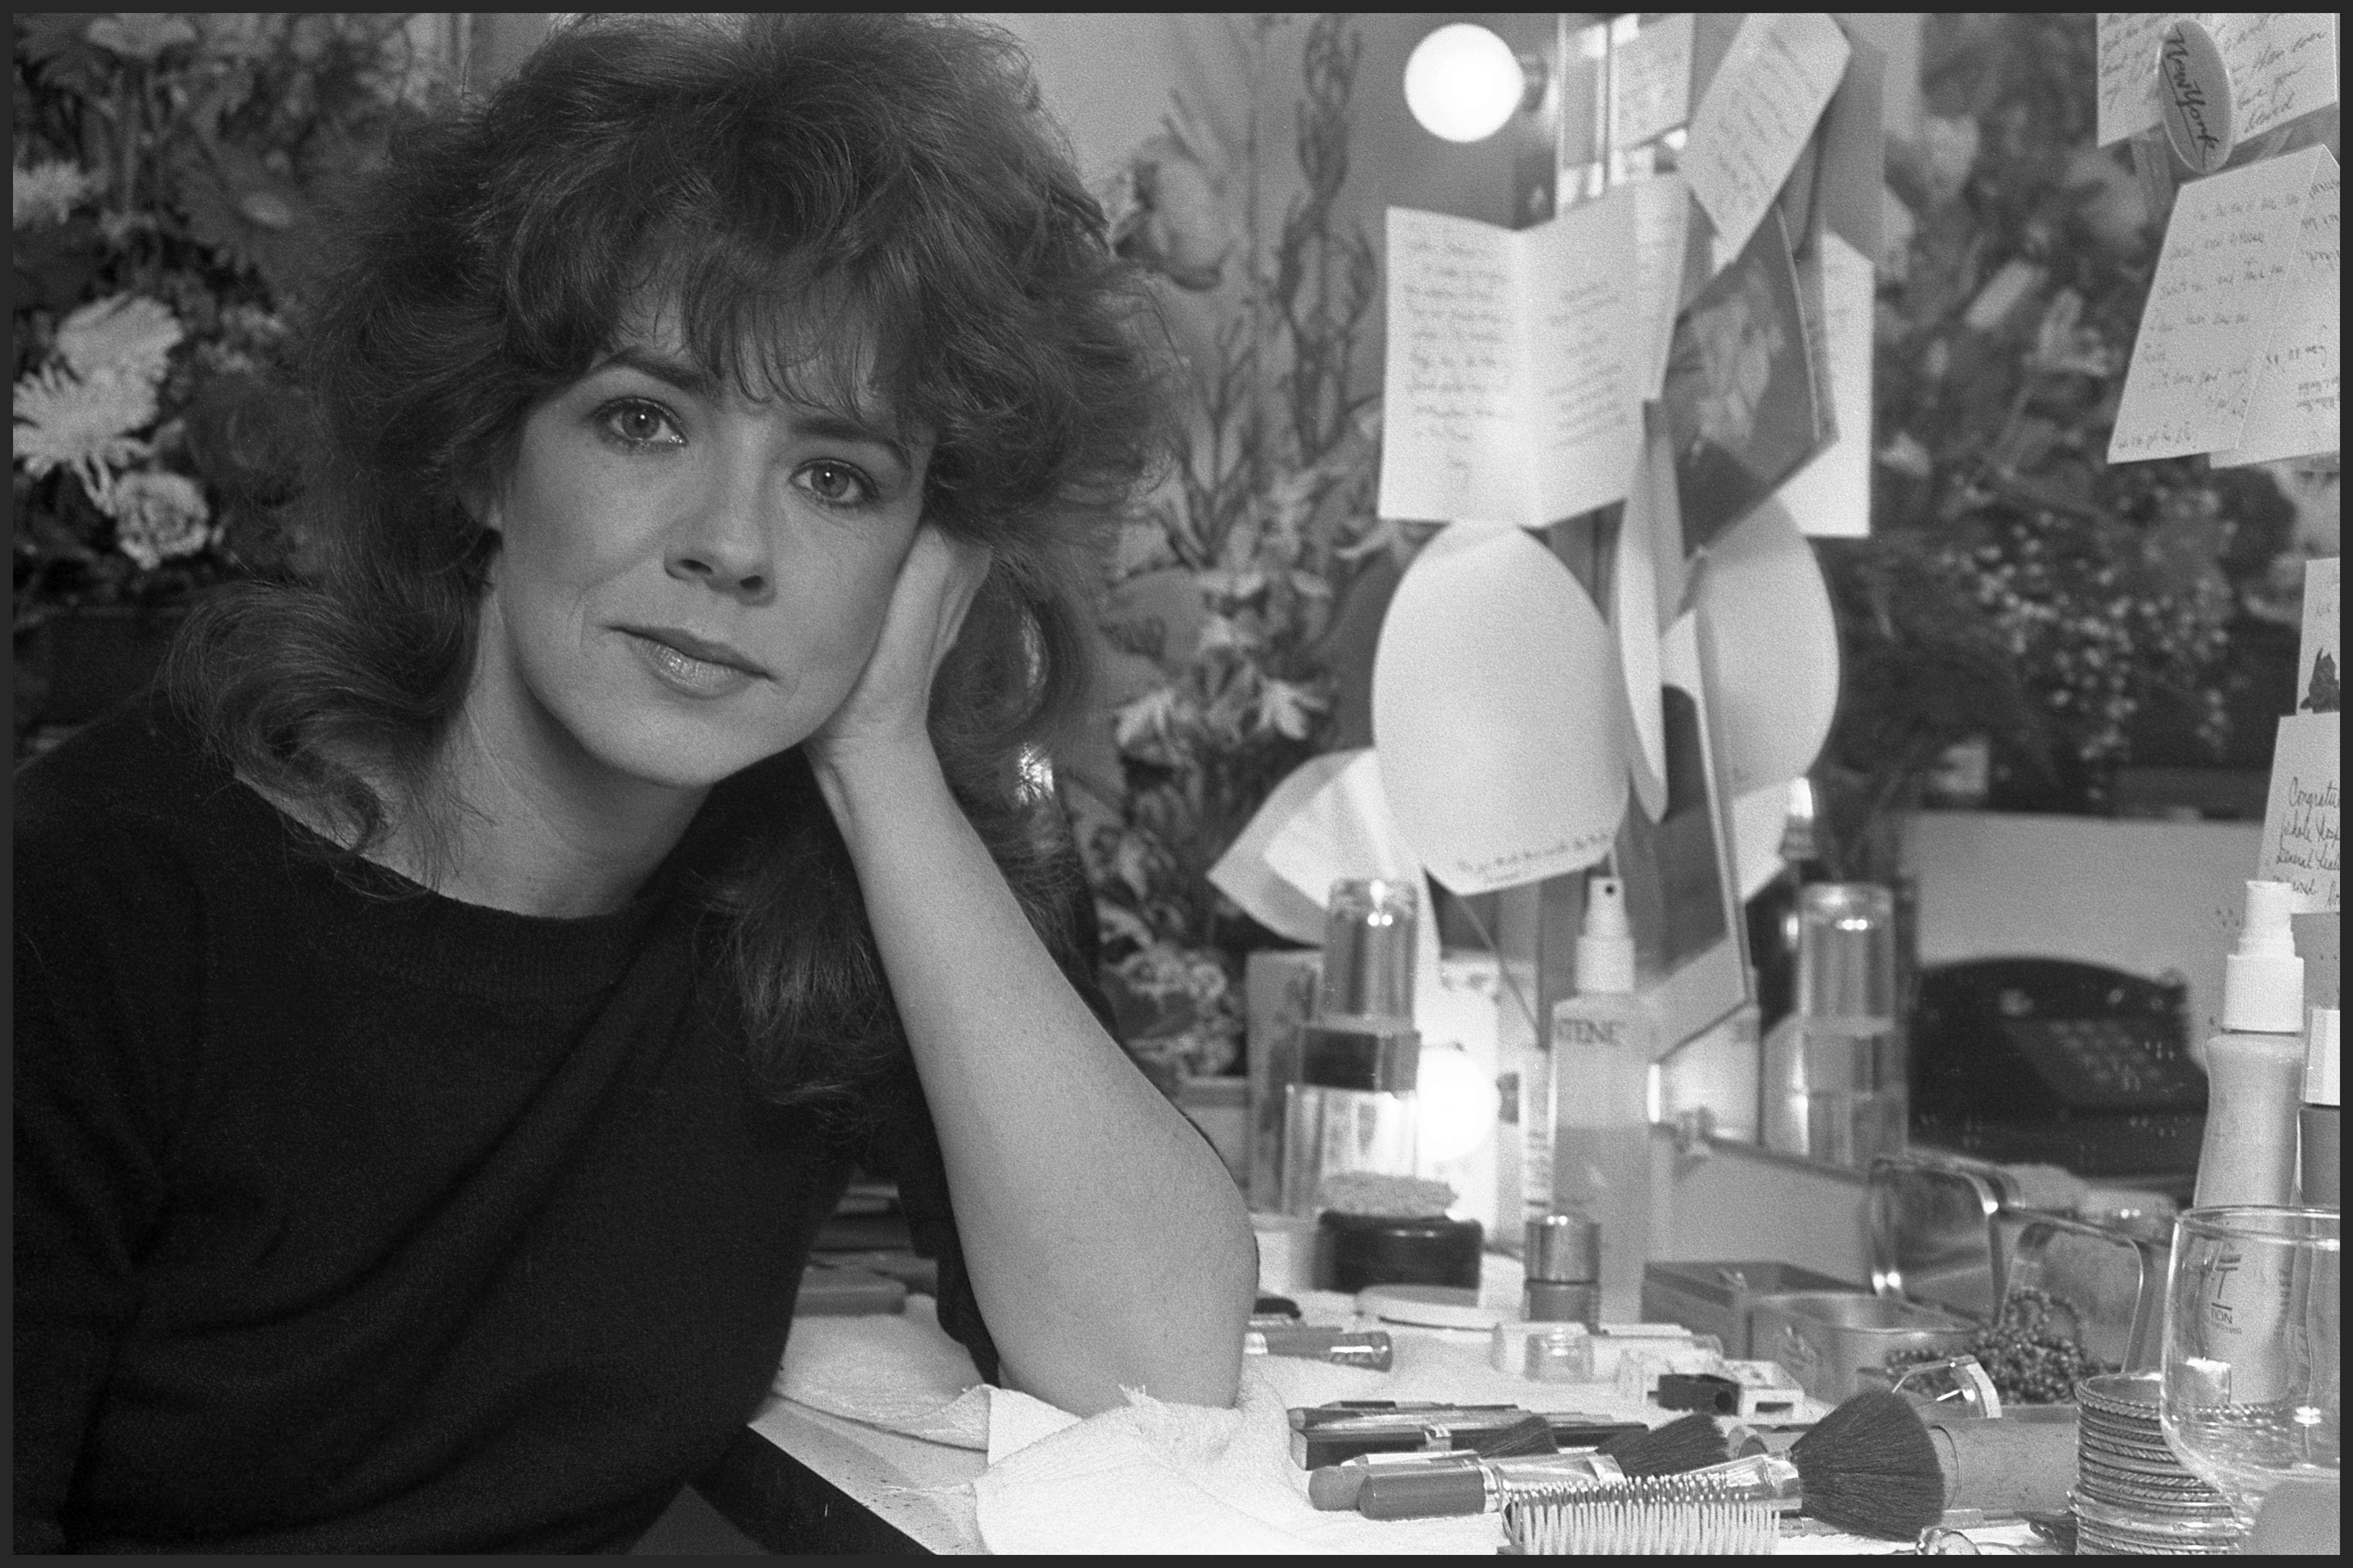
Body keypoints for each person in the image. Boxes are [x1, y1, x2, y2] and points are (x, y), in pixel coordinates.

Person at [14, 14, 1256, 1553]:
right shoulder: (98, 896)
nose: (732, 544)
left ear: (932, 550)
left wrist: (881, 762)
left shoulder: (818, 898)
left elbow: (1157, 1367)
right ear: (480, 454)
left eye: (837, 478)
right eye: (643, 419)